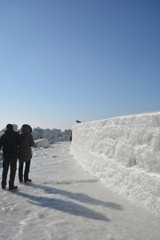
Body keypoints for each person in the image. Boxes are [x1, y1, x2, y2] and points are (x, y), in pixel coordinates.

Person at [0, 124, 19, 190]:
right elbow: (19, 143)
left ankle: (3, 184)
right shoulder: (16, 135)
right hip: (14, 156)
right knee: (13, 170)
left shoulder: (3, 136)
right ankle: (11, 185)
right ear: (12, 128)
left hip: (6, 156)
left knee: (5, 170)